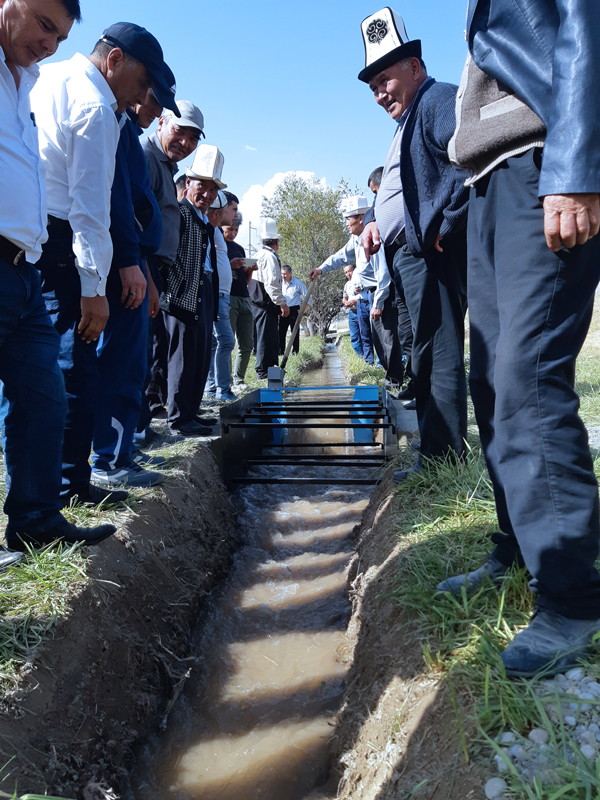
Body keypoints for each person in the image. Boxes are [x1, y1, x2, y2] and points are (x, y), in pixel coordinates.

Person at [438, 0, 600, 678]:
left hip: (540, 163)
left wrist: (574, 167)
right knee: (489, 380)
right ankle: (517, 545)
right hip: (489, 180)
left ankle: (572, 597)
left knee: (526, 378)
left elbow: (585, 29)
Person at [31, 22, 172, 505]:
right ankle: (70, 486)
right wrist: (93, 286)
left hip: (40, 239)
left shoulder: (47, 77)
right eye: (142, 83)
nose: (141, 98)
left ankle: (55, 487)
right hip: (63, 247)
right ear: (114, 61)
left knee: (44, 370)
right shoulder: (95, 106)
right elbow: (91, 205)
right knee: (74, 367)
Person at [0, 0, 119, 554]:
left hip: (25, 266)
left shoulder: (26, 84)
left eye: (60, 36)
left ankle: (36, 519)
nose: (49, 44)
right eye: (44, 25)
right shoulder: (80, 99)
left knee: (44, 398)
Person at [358, 8, 470, 481]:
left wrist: (447, 222)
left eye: (385, 80)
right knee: (422, 349)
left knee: (437, 351)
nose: (380, 93)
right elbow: (396, 187)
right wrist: (372, 219)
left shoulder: (437, 100)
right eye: (373, 87)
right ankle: (434, 448)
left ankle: (443, 460)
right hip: (407, 256)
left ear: (415, 67)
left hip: (430, 253)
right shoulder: (406, 122)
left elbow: (471, 155)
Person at [91, 64, 180, 490]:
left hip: (137, 263)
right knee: (120, 363)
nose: (152, 105)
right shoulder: (114, 125)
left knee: (133, 363)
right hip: (122, 264)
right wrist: (135, 262)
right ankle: (109, 459)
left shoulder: (124, 128)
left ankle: (122, 452)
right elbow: (119, 203)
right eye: (150, 95)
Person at [143, 100, 211, 425]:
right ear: (161, 123)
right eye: (179, 132)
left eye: (193, 138)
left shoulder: (167, 169)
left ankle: (182, 415)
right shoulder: (146, 158)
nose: (185, 142)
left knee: (193, 353)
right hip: (156, 279)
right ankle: (170, 417)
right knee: (165, 353)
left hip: (164, 279)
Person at [161, 145, 223, 435]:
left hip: (204, 290)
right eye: (202, 187)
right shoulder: (181, 212)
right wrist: (175, 290)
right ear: (188, 183)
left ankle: (191, 411)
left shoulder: (202, 219)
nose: (207, 194)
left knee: (200, 353)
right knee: (182, 355)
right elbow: (168, 256)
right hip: (183, 294)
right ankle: (178, 417)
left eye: (213, 190)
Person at [309, 196, 382, 370]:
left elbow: (383, 274)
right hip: (363, 297)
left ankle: (386, 371)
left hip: (377, 293)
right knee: (366, 335)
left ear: (361, 218)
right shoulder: (355, 240)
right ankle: (369, 366)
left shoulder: (375, 238)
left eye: (349, 219)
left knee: (382, 335)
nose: (347, 224)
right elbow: (340, 257)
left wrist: (379, 301)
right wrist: (320, 269)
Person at [205, 191, 240, 402]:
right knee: (226, 340)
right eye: (233, 209)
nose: (235, 214)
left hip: (222, 294)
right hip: (217, 293)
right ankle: (223, 389)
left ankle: (211, 387)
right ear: (223, 208)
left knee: (214, 343)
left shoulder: (216, 231)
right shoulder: (211, 229)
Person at [249, 219, 289, 380]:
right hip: (265, 303)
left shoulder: (258, 254)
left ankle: (269, 371)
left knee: (266, 338)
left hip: (257, 301)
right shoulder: (270, 257)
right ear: (276, 242)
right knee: (266, 339)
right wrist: (282, 303)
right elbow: (272, 284)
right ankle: (263, 373)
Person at [224, 213, 254, 389]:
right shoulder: (218, 246)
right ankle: (226, 382)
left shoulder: (239, 248)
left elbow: (246, 280)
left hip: (245, 297)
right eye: (230, 229)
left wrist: (249, 269)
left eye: (236, 230)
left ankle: (239, 379)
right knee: (227, 342)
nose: (233, 233)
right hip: (228, 297)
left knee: (247, 343)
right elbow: (215, 271)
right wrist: (230, 264)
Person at [279, 265, 307, 356]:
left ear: (290, 273)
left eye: (285, 274)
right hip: (282, 309)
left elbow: (307, 297)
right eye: (282, 274)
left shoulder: (298, 283)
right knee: (281, 331)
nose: (283, 276)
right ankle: (280, 352)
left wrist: (303, 310)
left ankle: (295, 353)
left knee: (294, 332)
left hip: (294, 309)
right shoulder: (279, 283)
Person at [342, 265, 363, 358]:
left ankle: (368, 358)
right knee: (354, 337)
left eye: (349, 271)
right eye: (346, 272)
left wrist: (356, 302)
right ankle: (360, 357)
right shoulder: (347, 285)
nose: (348, 274)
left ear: (354, 270)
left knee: (365, 335)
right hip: (352, 312)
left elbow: (367, 297)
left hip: (362, 310)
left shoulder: (361, 280)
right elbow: (344, 298)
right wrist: (346, 302)